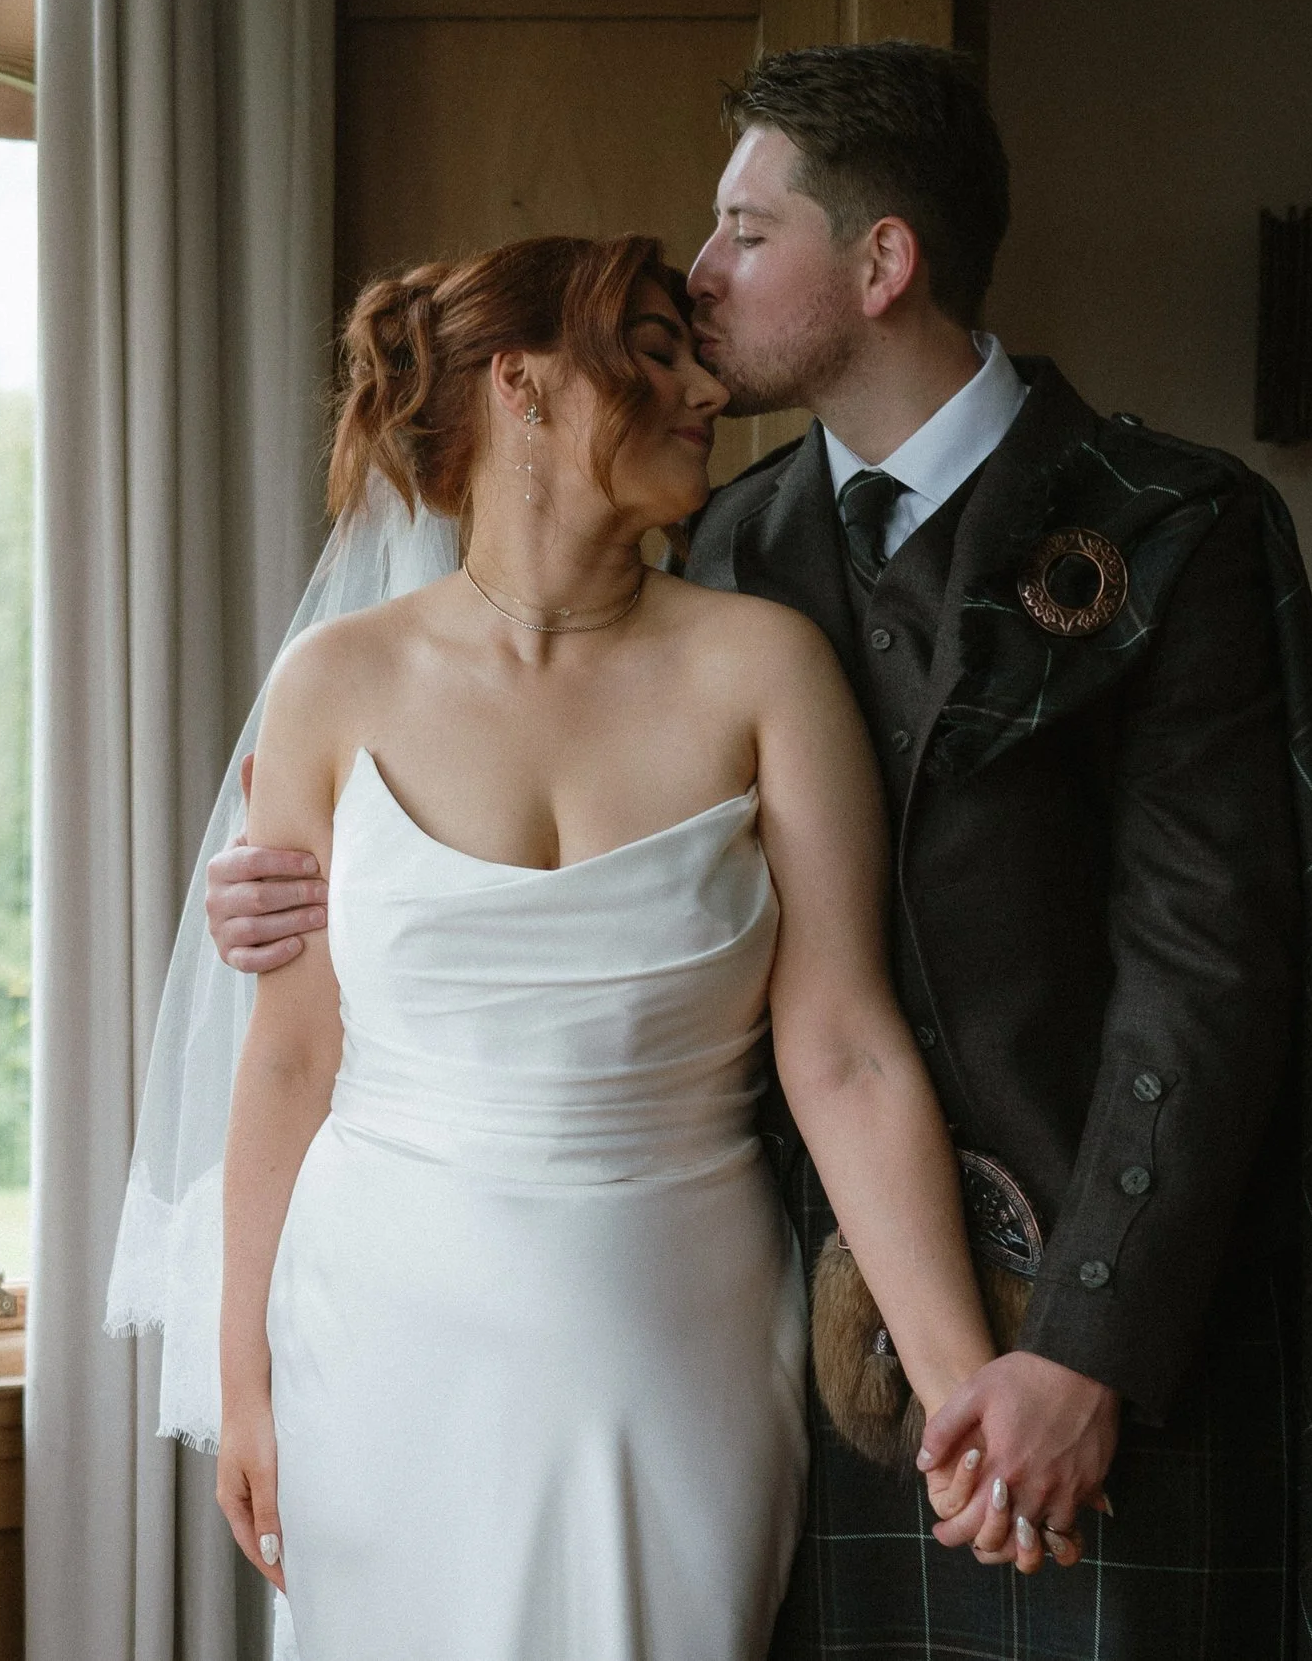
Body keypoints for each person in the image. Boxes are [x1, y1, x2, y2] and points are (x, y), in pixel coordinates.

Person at [205, 40, 1312, 1661]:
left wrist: (1072, 1349)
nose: (702, 290)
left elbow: (1208, 976)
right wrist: (315, 895)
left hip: (1094, 1344)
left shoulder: (1174, 527)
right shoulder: (730, 546)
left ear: (883, 261)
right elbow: (327, 1032)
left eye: (742, 233)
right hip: (783, 1339)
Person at [191, 232, 1069, 1661]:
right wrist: (244, 1381)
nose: (705, 389)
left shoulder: (764, 668)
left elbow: (842, 1045)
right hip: (377, 1342)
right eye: (652, 351)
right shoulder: (332, 686)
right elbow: (290, 1054)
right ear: (521, 385)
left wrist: (957, 1375)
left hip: (680, 1336)